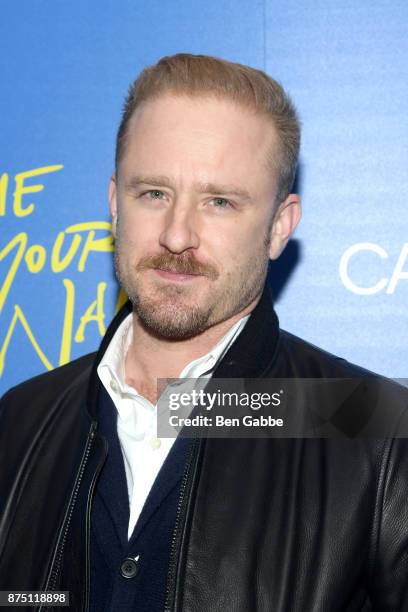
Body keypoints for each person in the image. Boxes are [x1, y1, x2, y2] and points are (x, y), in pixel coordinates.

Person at [1, 53, 408, 612]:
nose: (176, 235)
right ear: (114, 204)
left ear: (279, 227)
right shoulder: (20, 421)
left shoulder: (374, 430)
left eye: (219, 202)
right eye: (153, 194)